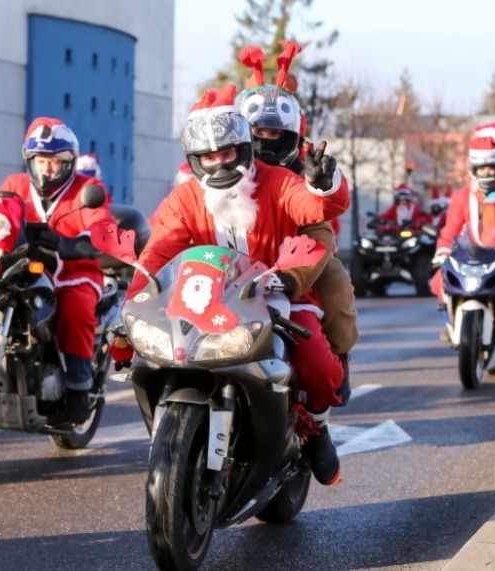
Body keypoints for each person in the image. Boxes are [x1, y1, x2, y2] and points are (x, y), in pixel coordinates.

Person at [126, 84, 350, 486]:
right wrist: (135, 304)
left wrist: (323, 183)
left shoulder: (280, 182)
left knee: (316, 362)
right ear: (195, 161)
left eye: (227, 153)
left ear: (244, 148)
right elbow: (156, 255)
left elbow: (318, 207)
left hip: (279, 295)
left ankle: (317, 428)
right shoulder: (183, 199)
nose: (219, 164)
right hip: (205, 303)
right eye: (208, 156)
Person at [235, 39, 359, 362]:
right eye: (256, 130)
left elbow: (324, 214)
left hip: (299, 261)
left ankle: (338, 357)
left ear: (290, 131)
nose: (264, 137)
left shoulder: (306, 167)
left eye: (273, 132)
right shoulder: (221, 168)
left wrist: (322, 183)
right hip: (232, 268)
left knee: (334, 281)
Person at [0, 117, 118, 425]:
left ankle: (79, 388)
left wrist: (68, 243)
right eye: (41, 160)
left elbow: (102, 230)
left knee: (76, 308)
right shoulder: (13, 186)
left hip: (74, 273)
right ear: (29, 160)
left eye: (56, 161)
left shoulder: (88, 189)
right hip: (23, 271)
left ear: (70, 161)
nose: (48, 168)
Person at [431, 137, 495, 350]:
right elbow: (449, 230)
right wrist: (442, 252)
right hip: (470, 255)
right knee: (437, 280)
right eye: (482, 169)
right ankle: (451, 319)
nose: (487, 174)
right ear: (473, 169)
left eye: (492, 168)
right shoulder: (461, 197)